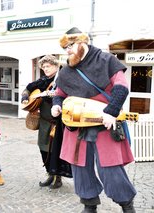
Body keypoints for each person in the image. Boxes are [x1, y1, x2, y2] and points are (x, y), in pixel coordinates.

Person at [51, 27, 136, 213]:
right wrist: (56, 105)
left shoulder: (106, 60)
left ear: (83, 43)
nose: (68, 50)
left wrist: (111, 111)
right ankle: (89, 205)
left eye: (71, 45)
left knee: (111, 169)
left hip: (105, 125)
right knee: (81, 170)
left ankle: (127, 205)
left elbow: (121, 87)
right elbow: (59, 94)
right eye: (65, 47)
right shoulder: (66, 71)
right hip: (77, 128)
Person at [21, 55, 72, 189]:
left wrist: (48, 95)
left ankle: (58, 177)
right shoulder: (42, 80)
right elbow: (28, 88)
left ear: (56, 66)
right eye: (43, 67)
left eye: (48, 66)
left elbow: (65, 95)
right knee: (43, 148)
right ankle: (50, 174)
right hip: (44, 122)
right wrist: (25, 96)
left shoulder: (63, 79)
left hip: (58, 122)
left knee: (56, 150)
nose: (45, 69)